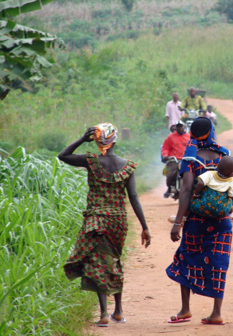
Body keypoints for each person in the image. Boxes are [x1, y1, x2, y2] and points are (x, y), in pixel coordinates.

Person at [59, 123, 151, 327]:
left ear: (98, 140)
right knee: (114, 261)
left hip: (95, 221)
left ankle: (103, 314)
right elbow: (133, 197)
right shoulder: (127, 166)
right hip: (118, 222)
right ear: (115, 140)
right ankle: (118, 311)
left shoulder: (90, 161)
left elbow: (63, 156)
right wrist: (144, 227)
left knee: (97, 263)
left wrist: (83, 139)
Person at [166, 117, 232, 326]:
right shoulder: (224, 155)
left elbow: (186, 191)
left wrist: (178, 222)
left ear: (192, 135)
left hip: (197, 221)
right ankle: (216, 312)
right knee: (219, 264)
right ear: (211, 131)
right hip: (222, 221)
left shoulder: (191, 158)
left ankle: (185, 309)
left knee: (185, 257)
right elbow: (231, 186)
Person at [161, 121, 191, 199]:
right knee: (170, 174)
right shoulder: (171, 137)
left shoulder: (189, 137)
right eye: (178, 127)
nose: (179, 128)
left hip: (185, 159)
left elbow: (192, 148)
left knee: (192, 174)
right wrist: (165, 155)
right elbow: (165, 148)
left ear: (184, 127)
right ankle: (169, 188)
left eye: (181, 126)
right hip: (174, 159)